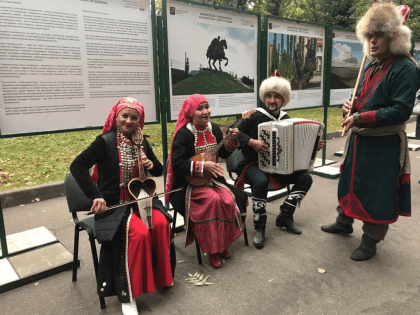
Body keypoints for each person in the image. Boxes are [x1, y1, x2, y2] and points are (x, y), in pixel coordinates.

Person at [321, 2, 420, 261]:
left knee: (377, 192)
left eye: (379, 35)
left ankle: (370, 240)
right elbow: (363, 99)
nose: (373, 41)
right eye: (369, 36)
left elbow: (400, 111)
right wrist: (350, 107)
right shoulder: (370, 65)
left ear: (393, 37)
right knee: (350, 182)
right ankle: (344, 223)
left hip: (384, 143)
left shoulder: (406, 68)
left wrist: (360, 116)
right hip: (361, 139)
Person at [70, 97, 173, 315]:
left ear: (140, 120)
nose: (128, 121)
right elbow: (77, 166)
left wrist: (151, 164)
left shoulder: (142, 141)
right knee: (139, 234)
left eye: (134, 117)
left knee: (162, 224)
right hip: (114, 204)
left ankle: (162, 277)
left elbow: (158, 171)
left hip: (142, 197)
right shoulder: (104, 141)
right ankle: (128, 294)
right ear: (116, 117)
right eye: (124, 116)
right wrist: (95, 196)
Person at [235, 70, 324, 248]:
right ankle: (260, 227)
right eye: (268, 96)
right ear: (264, 97)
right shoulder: (253, 115)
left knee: (305, 178)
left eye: (277, 96)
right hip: (254, 163)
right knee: (260, 182)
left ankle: (285, 215)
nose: (272, 100)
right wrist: (251, 142)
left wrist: (313, 146)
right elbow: (233, 132)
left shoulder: (287, 119)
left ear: (283, 99)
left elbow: (295, 146)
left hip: (280, 167)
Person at [165, 94, 248, 268]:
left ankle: (222, 244)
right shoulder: (185, 134)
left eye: (207, 107)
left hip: (213, 180)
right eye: (200, 108)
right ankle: (212, 250)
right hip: (188, 184)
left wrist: (232, 141)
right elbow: (177, 163)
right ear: (190, 112)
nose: (205, 111)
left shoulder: (214, 129)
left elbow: (222, 154)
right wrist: (203, 167)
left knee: (228, 199)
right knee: (212, 201)